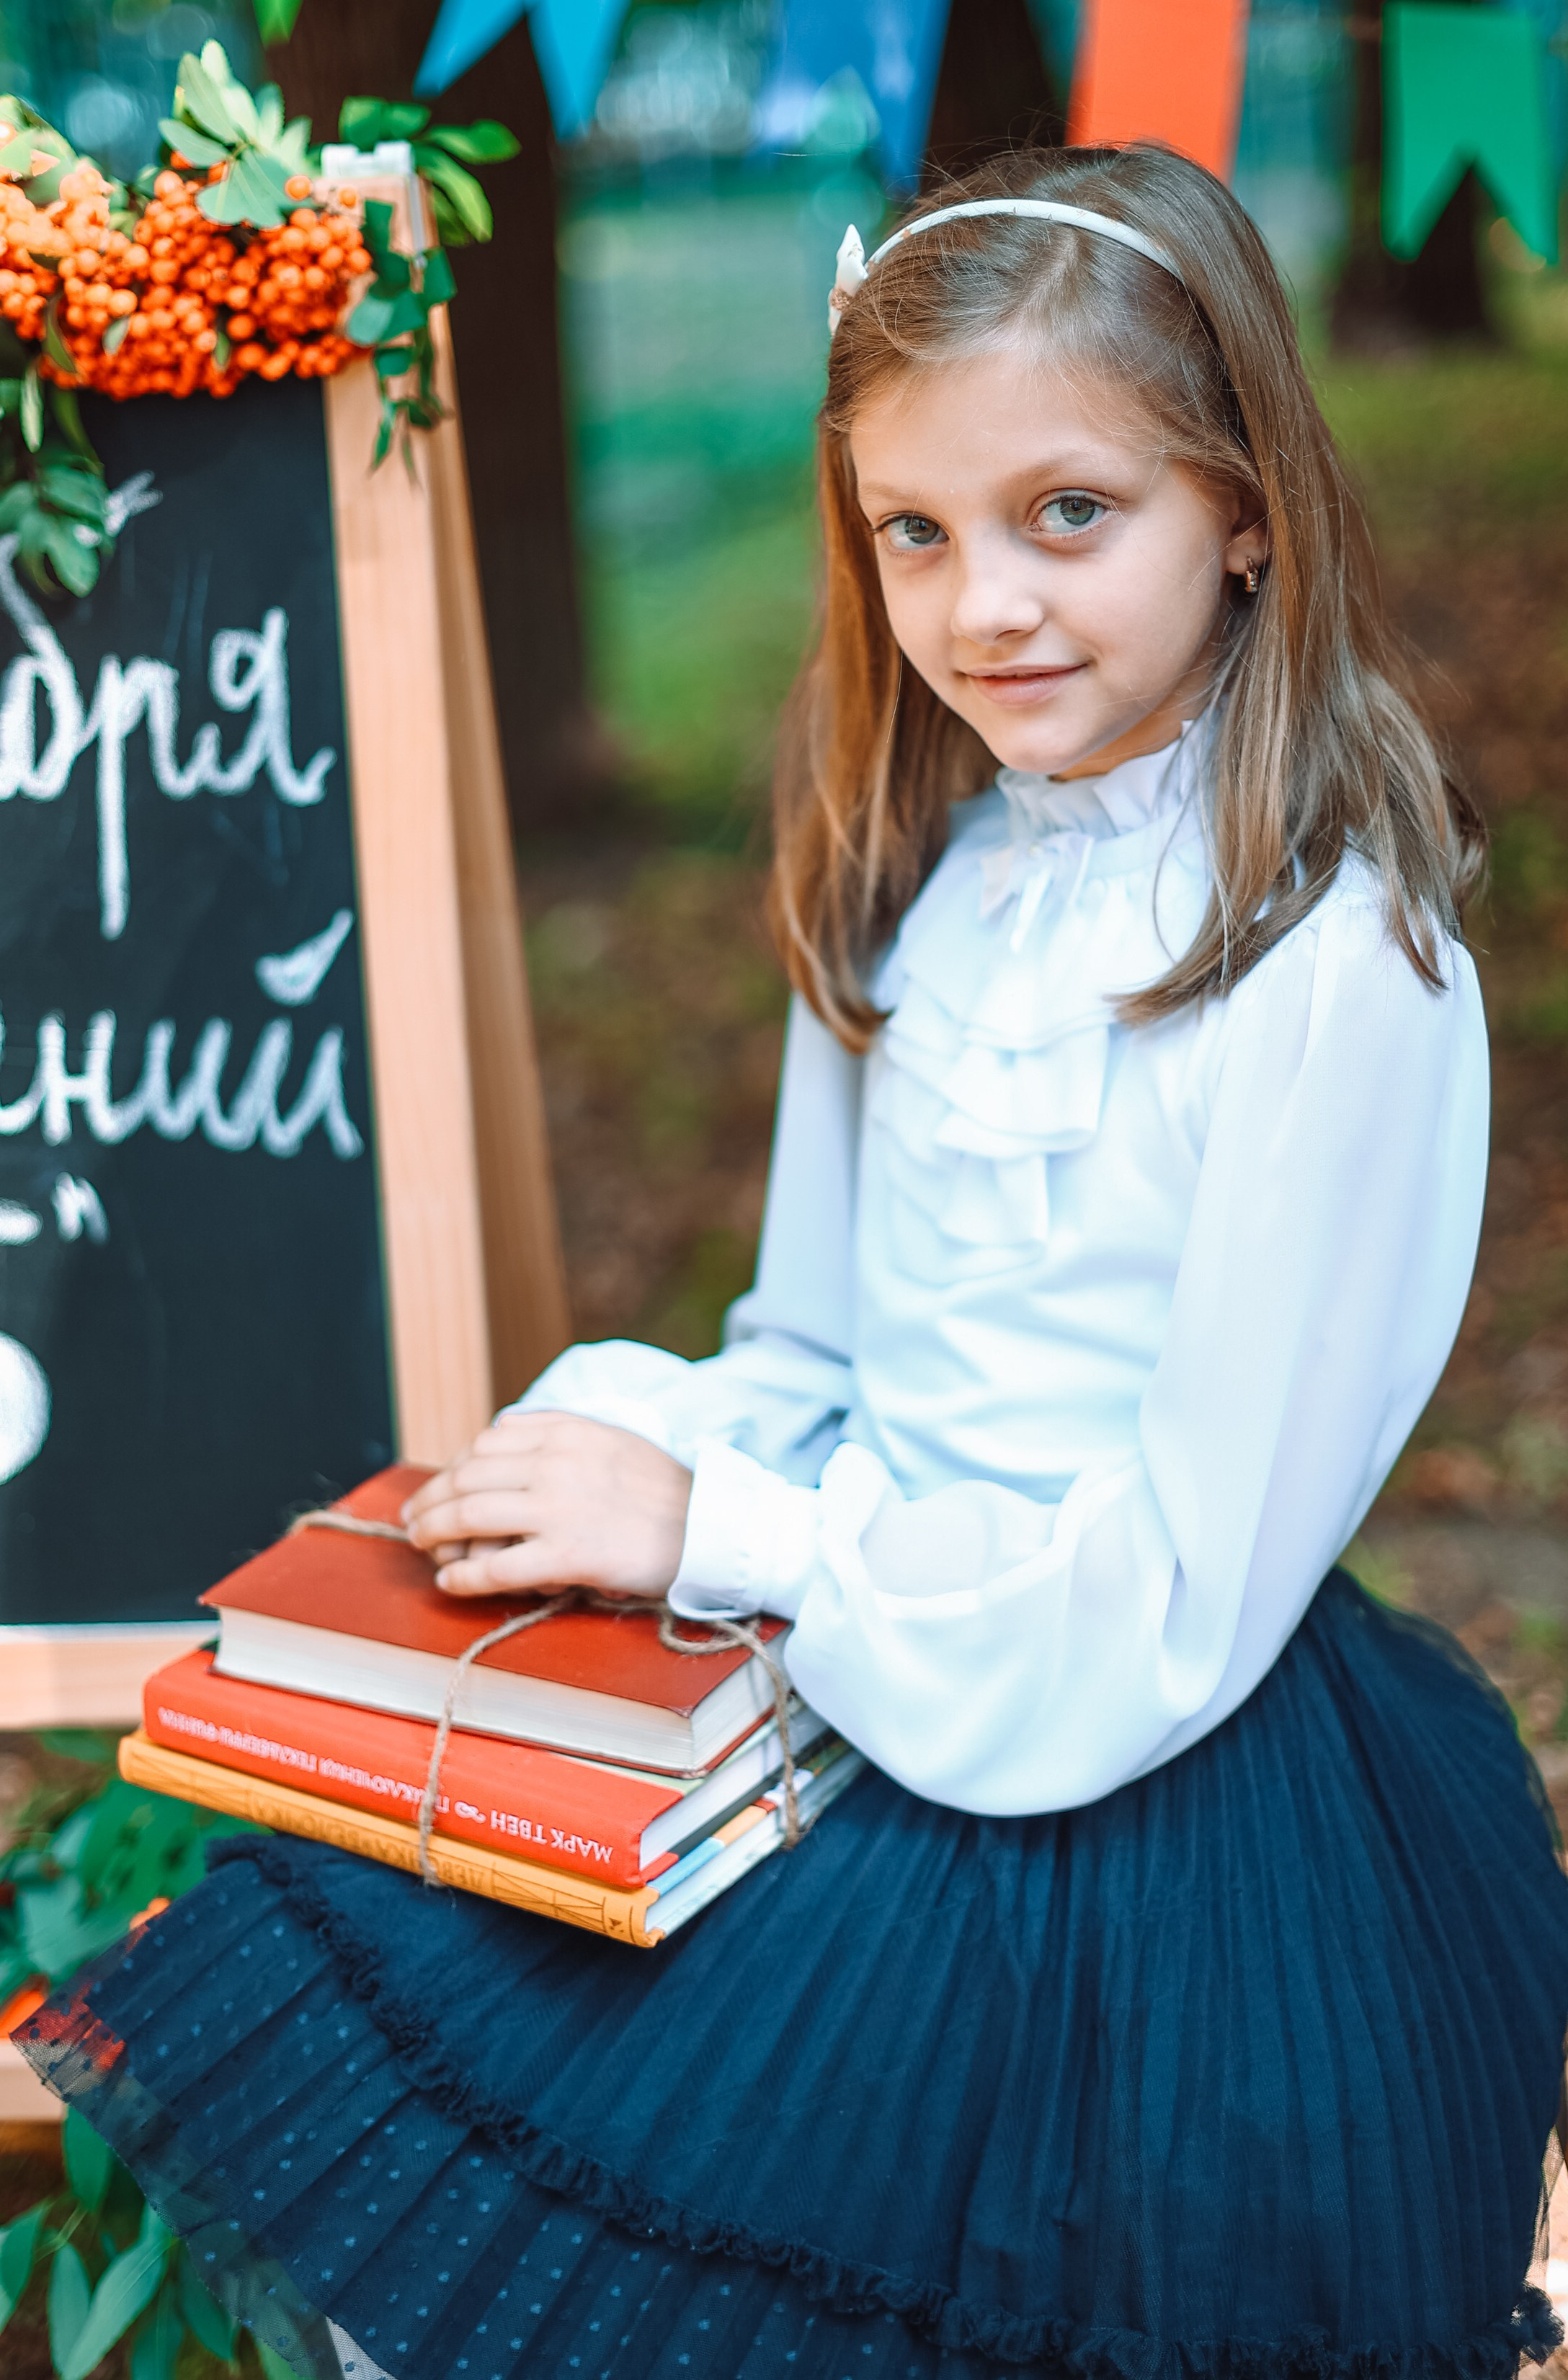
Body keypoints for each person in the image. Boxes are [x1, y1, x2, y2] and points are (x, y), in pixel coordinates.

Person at [22, 143, 1568, 2380]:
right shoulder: (920, 877)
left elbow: (1170, 1596)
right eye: (914, 533)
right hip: (864, 1669)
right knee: (419, 2110)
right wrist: (626, 1447)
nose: (987, 607)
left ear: (1245, 505)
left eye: (1070, 515)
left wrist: (726, 1520)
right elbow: (819, 1346)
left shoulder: (1334, 967)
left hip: (1149, 1806)